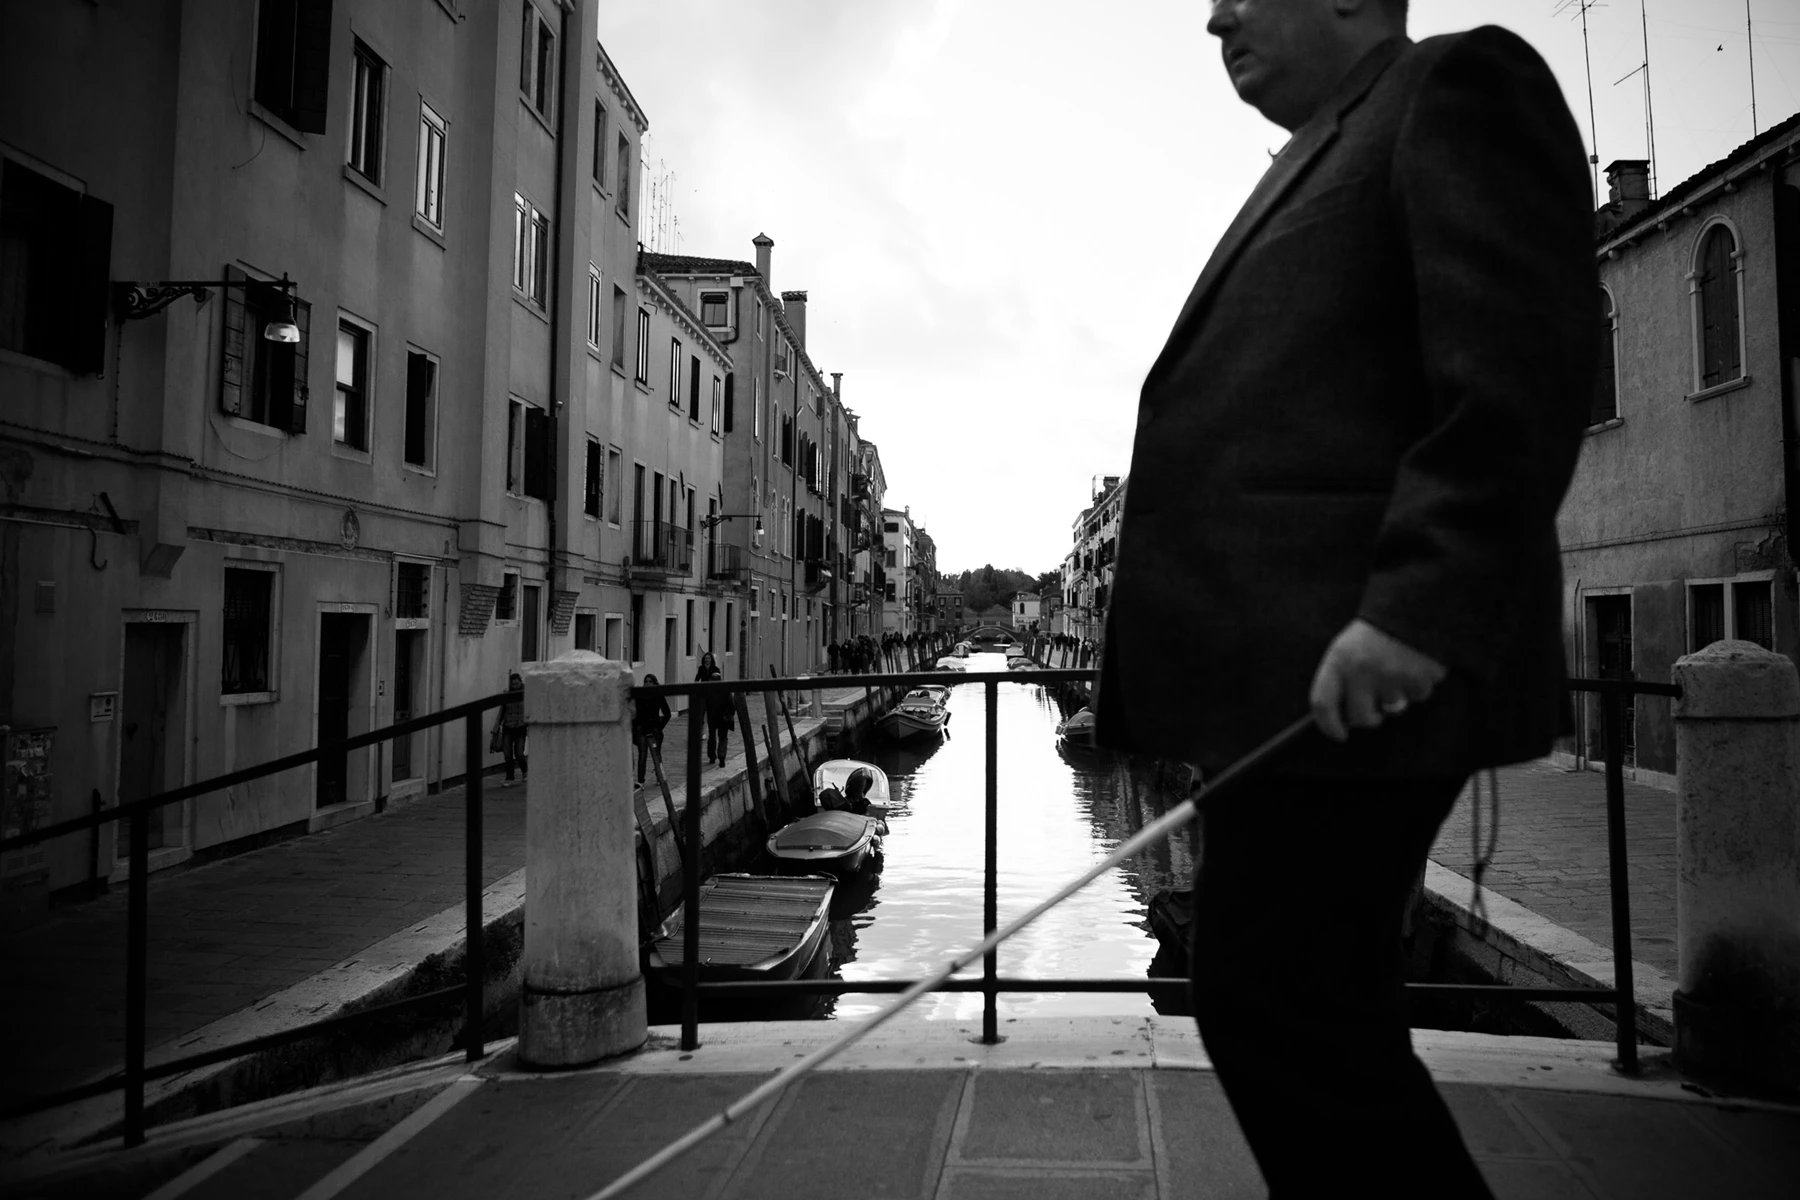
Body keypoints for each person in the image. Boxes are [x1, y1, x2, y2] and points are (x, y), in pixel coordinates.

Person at [1093, 3, 1593, 1197]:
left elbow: (1520, 363)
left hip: (1349, 671)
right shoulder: (1332, 139)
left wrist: (1421, 602)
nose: (1215, 15)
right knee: (1298, 1013)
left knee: (1285, 1012)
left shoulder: (1459, 86)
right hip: (1287, 686)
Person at [633, 672, 672, 787]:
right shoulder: (639, 697)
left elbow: (667, 713)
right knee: (642, 754)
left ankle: (660, 777)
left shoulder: (658, 696)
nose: (647, 684)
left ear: (654, 683)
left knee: (656, 754)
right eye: (646, 681)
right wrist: (636, 726)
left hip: (654, 729)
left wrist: (659, 727)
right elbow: (634, 713)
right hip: (642, 729)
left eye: (650, 681)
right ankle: (641, 781)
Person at [697, 652, 734, 767]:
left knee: (712, 737)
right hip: (722, 717)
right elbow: (732, 705)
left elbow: (704, 705)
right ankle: (721, 757)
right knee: (722, 738)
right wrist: (730, 715)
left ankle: (712, 756)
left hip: (713, 717)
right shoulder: (726, 691)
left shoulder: (708, 692)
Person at [496, 671, 527, 787]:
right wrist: (496, 728)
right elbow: (501, 713)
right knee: (507, 754)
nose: (515, 686)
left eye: (516, 683)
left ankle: (525, 772)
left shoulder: (526, 695)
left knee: (519, 752)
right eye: (513, 684)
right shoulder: (507, 695)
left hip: (520, 727)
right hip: (508, 727)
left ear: (520, 683)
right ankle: (509, 777)